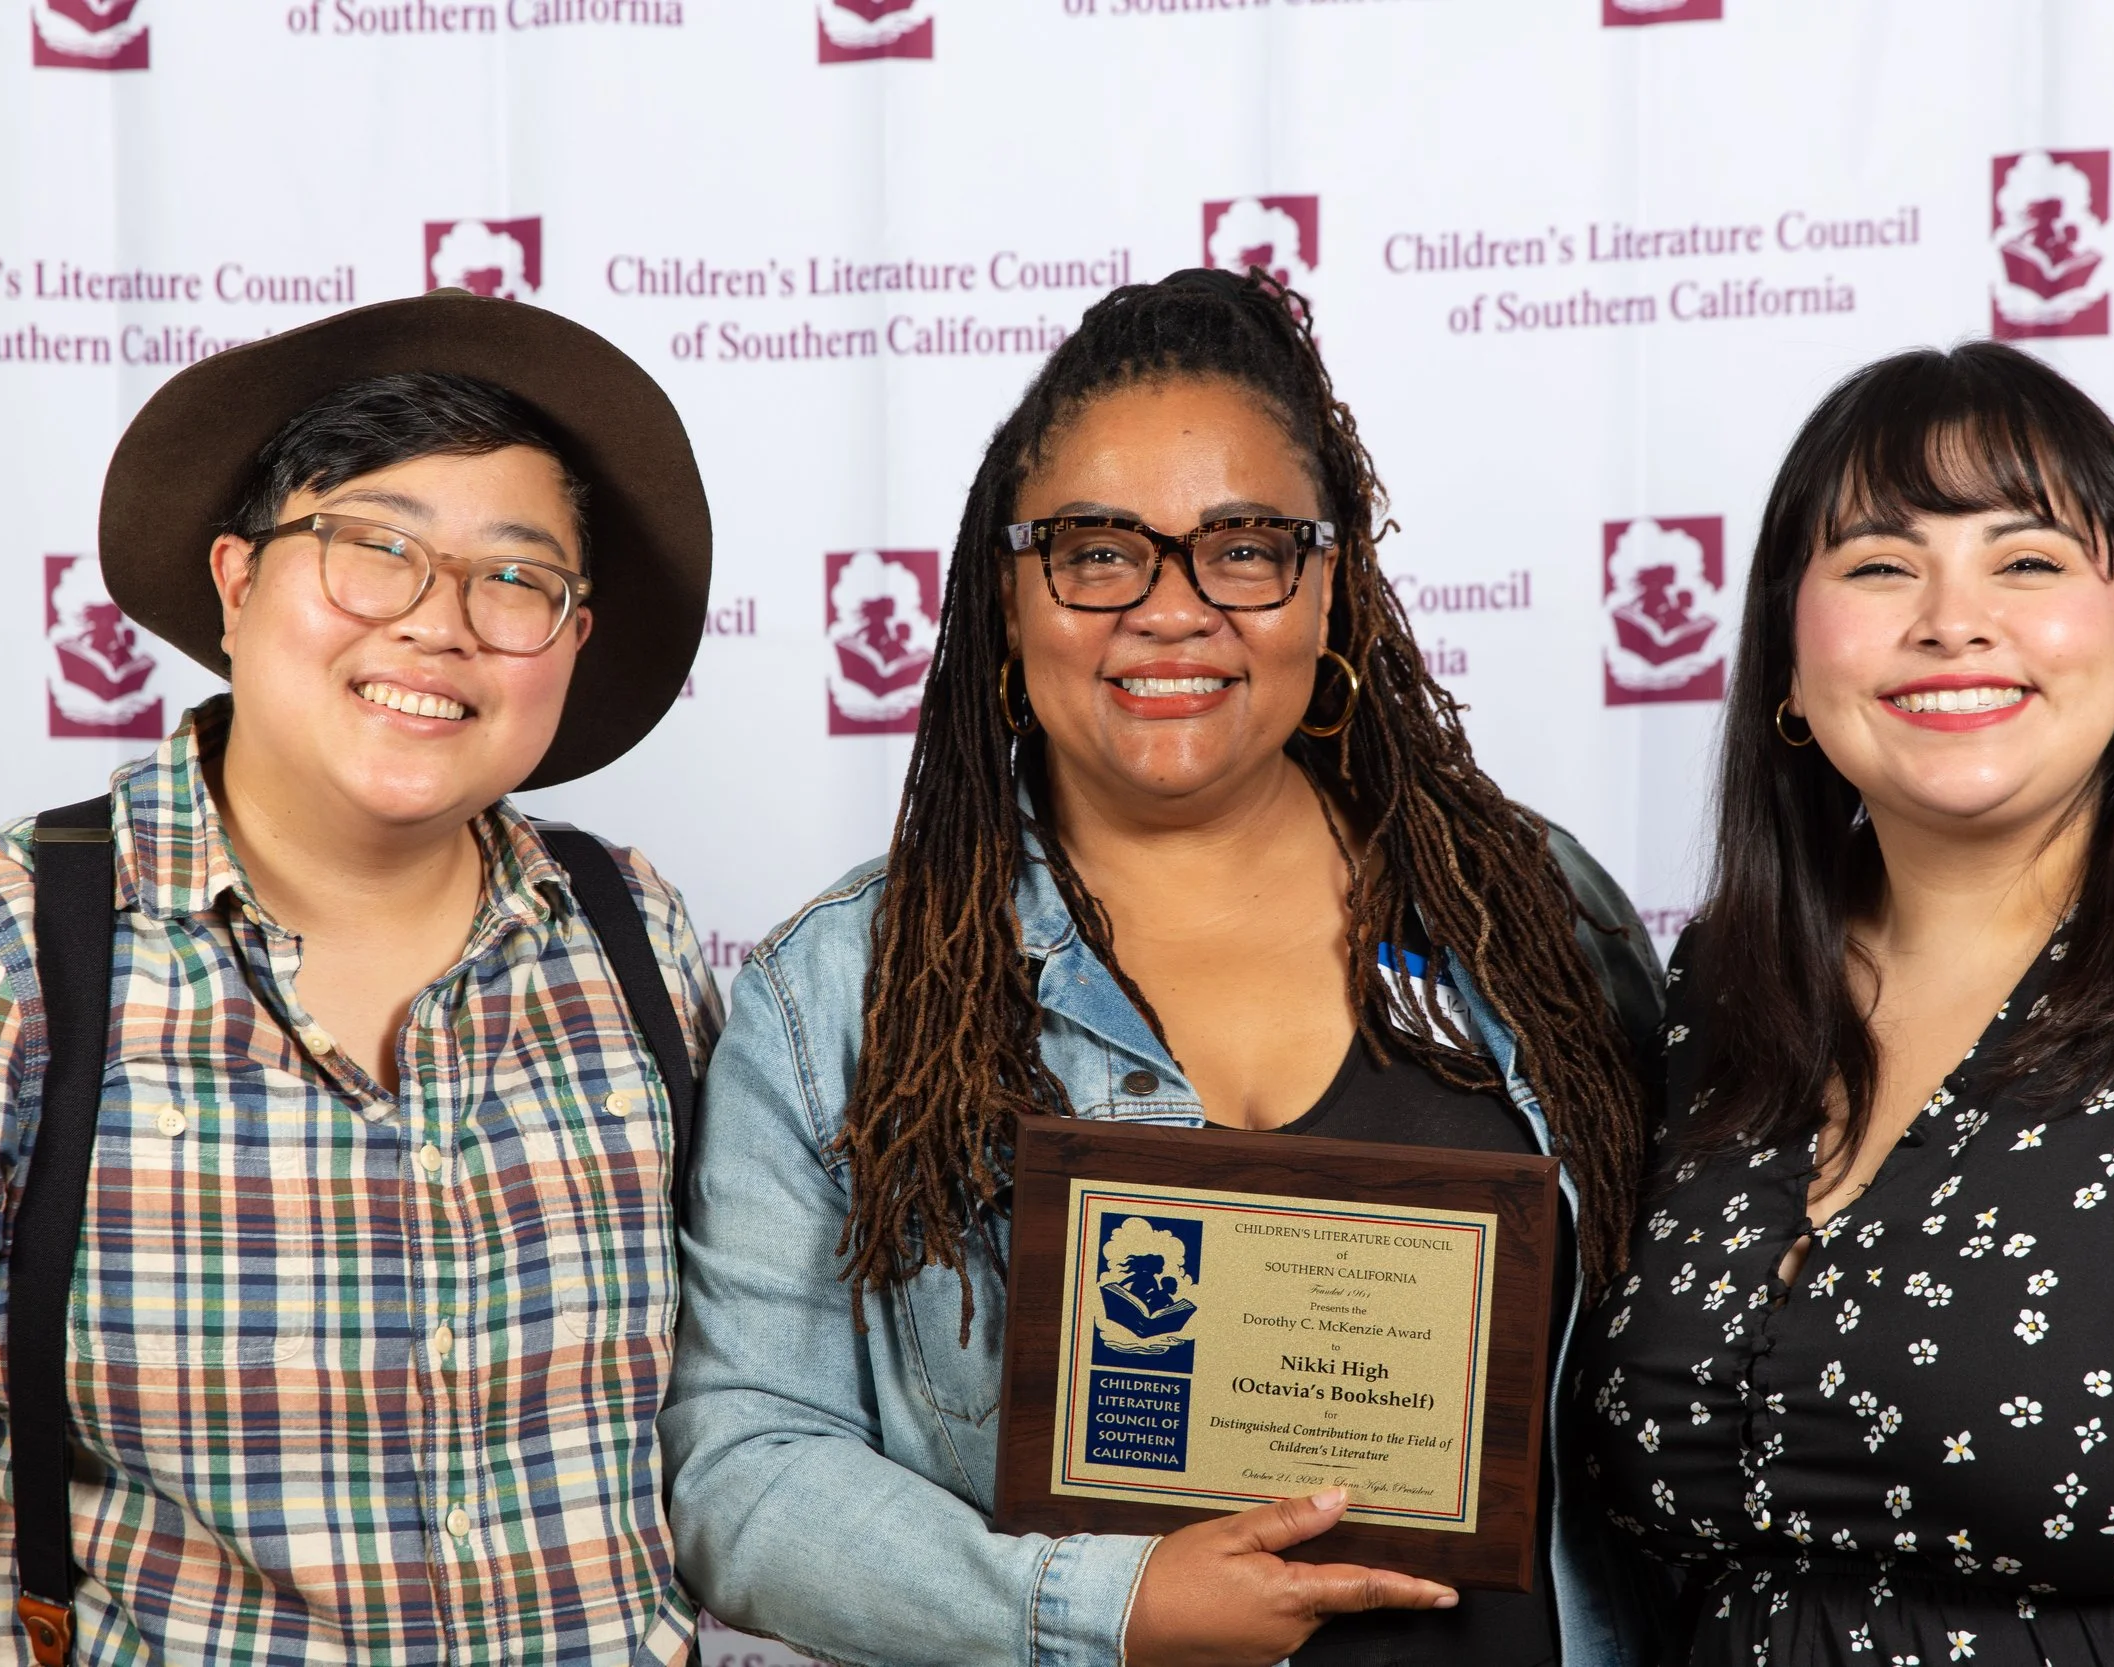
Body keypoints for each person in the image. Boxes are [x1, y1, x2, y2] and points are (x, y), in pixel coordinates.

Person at [666, 268, 1668, 1667]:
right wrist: (1104, 1607)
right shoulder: (834, 995)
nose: (1172, 607)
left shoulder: (1540, 921)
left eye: (1244, 546)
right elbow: (747, 1467)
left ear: (1331, 591)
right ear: (1007, 598)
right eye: (1097, 550)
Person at [1581, 342, 2114, 1664]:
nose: (1951, 619)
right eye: (1877, 564)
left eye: (2024, 560)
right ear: (1789, 655)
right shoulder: (1730, 985)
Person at [0, 291, 720, 1663]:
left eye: (515, 579)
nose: (437, 623)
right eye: (373, 549)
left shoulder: (628, 929)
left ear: (572, 643)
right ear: (235, 580)